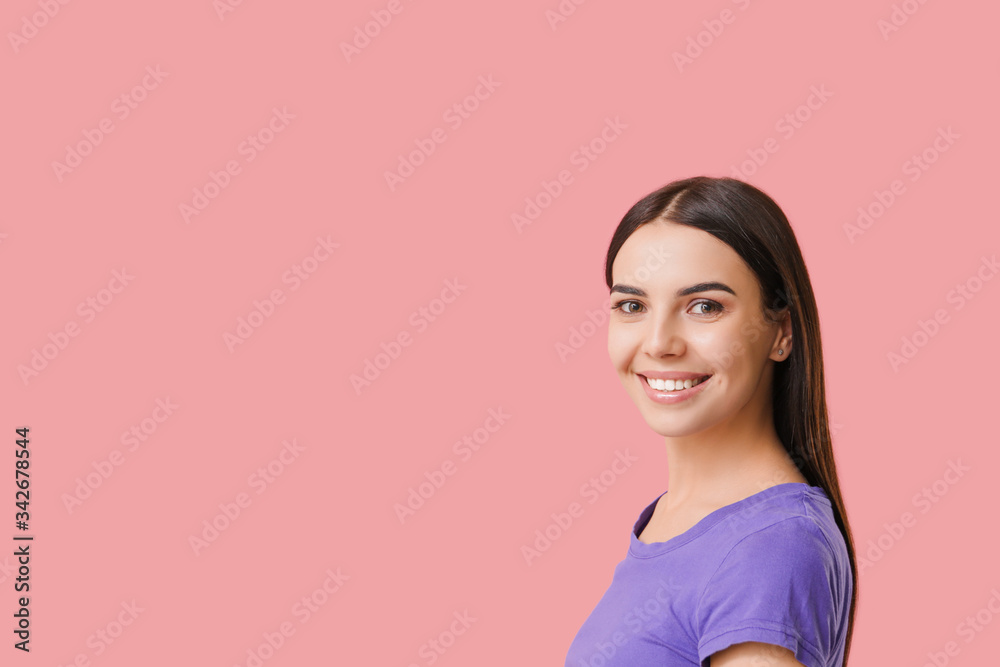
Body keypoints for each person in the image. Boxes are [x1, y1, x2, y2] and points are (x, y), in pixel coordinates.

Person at [564, 176, 857, 667]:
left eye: (704, 306)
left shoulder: (769, 546)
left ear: (781, 332)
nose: (659, 342)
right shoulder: (676, 517)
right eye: (632, 305)